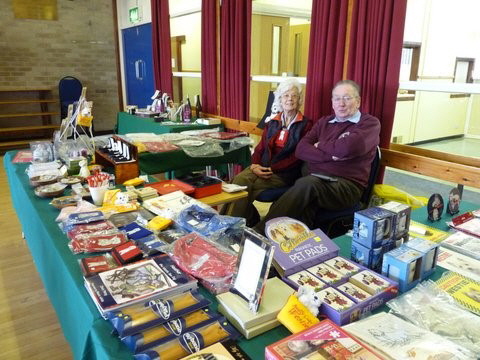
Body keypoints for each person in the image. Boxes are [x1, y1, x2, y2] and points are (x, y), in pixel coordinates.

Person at [254, 80, 380, 233]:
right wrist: (332, 155)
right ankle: (300, 247)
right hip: (316, 180)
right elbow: (301, 149)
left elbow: (349, 147)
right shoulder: (324, 122)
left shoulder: (369, 123)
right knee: (301, 207)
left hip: (347, 186)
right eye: (337, 98)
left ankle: (259, 232)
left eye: (347, 98)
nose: (341, 103)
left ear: (358, 101)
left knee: (306, 185)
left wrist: (319, 146)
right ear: (332, 102)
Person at [221, 78, 312, 226]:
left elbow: (298, 156)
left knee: (242, 186)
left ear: (299, 99)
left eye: (294, 96)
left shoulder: (306, 125)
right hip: (261, 168)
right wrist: (255, 165)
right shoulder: (272, 122)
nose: (290, 99)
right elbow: (260, 148)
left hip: (284, 174)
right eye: (286, 95)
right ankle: (234, 223)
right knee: (238, 182)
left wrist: (272, 168)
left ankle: (229, 226)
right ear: (280, 100)